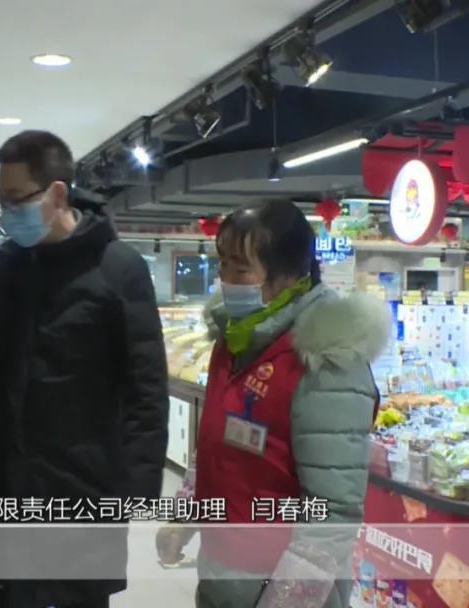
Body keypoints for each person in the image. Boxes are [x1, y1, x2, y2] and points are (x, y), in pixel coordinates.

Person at [0, 130, 169, 608]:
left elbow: (146, 389)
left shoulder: (119, 269)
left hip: (80, 492)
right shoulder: (5, 267)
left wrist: (135, 493)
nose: (8, 213)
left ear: (55, 193)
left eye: (16, 199)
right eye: (2, 201)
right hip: (0, 486)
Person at [156, 203, 391, 608]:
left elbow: (333, 512)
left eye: (241, 269)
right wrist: (188, 512)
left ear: (290, 275)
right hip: (222, 575)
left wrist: (285, 600)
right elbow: (217, 442)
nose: (226, 280)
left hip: (281, 587)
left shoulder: (327, 361)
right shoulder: (234, 338)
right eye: (223, 264)